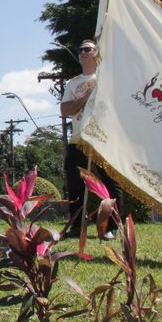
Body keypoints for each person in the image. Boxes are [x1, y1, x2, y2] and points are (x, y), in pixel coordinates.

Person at [61, 39, 122, 239]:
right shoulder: (73, 83)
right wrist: (85, 98)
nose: (83, 52)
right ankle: (77, 226)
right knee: (75, 184)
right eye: (80, 49)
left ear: (96, 52)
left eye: (87, 49)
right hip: (79, 139)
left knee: (111, 183)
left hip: (104, 139)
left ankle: (112, 226)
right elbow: (65, 110)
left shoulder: (108, 78)